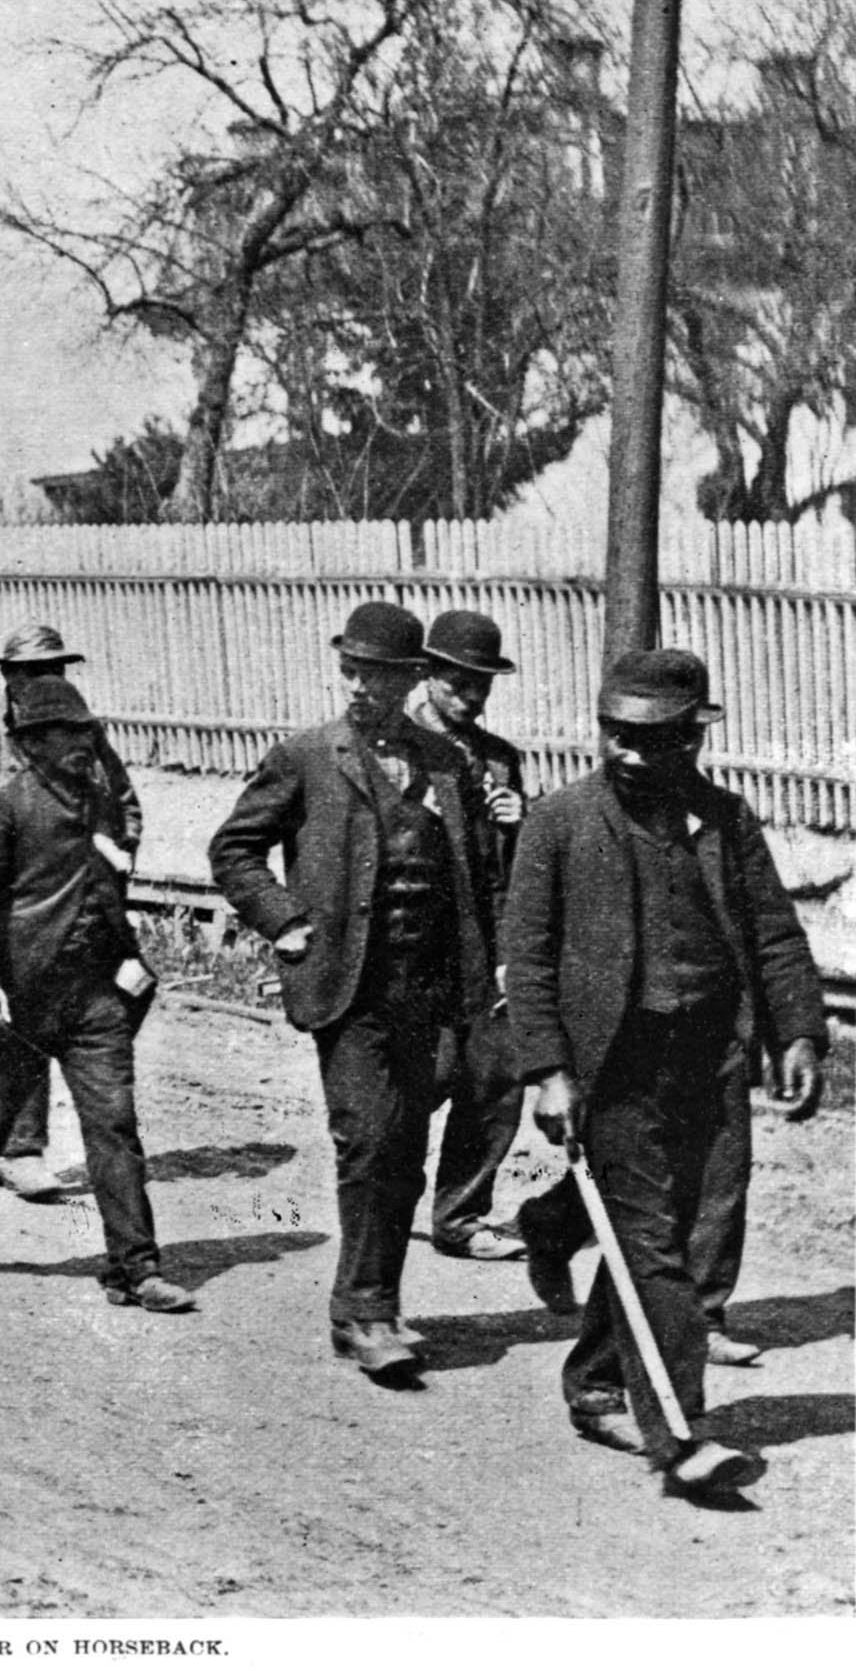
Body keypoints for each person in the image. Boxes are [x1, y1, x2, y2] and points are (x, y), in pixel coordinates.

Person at [505, 648, 826, 1495]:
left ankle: (597, 1378)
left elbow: (774, 931)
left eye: (653, 740)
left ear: (694, 739)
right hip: (610, 1067)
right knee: (652, 1245)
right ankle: (681, 1435)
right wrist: (547, 1069)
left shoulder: (724, 818)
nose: (630, 753)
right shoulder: (560, 821)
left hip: (709, 1058)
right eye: (616, 735)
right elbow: (527, 957)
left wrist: (800, 1034)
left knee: (682, 1235)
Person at [207, 601, 500, 1380]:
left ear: (412, 680)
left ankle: (377, 1301)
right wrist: (283, 920)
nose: (363, 687)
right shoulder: (307, 755)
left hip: (430, 988)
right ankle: (363, 1312)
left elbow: (482, 875)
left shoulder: (447, 762)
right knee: (369, 1138)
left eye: (380, 675)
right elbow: (234, 849)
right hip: (350, 986)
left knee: (403, 1146)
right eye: (354, 672)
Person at [0, 676, 192, 1308]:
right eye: (62, 735)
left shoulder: (98, 800)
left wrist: (114, 862)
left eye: (84, 733)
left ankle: (137, 1268)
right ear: (30, 744)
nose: (79, 745)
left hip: (95, 996)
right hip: (22, 996)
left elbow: (105, 876)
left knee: (114, 1127)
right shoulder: (5, 805)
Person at [0, 619, 142, 1203]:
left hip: (59, 899)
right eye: (32, 672)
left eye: (54, 670)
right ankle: (14, 1149)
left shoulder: (80, 733)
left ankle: (3, 1147)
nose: (45, 681)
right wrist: (2, 832)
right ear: (8, 676)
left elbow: (124, 805)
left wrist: (115, 852)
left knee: (34, 1022)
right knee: (9, 1020)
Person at [403, 609, 534, 1263]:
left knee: (496, 1075)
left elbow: (519, 876)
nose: (472, 695)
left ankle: (461, 1215)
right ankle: (390, 1195)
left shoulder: (500, 760)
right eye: (459, 682)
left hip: (487, 946)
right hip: (419, 948)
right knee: (420, 1077)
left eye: (482, 683)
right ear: (428, 675)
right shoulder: (393, 750)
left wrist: (523, 824)